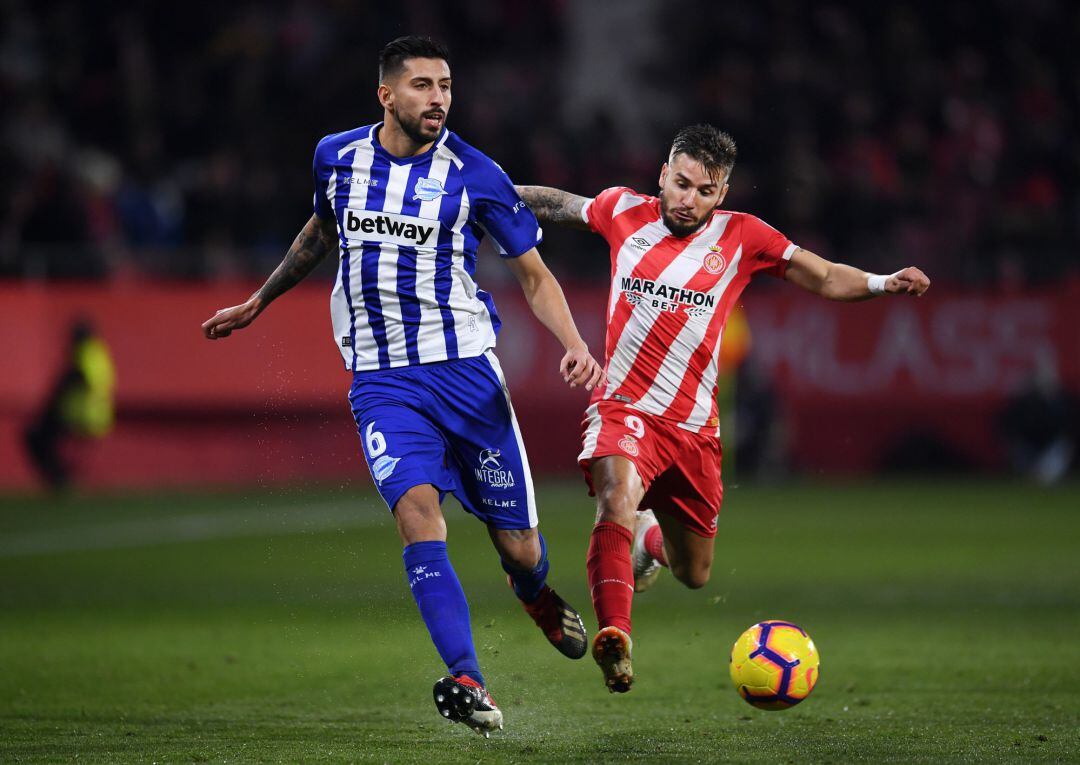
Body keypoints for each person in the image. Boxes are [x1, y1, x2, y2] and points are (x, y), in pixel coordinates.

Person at [202, 36, 603, 735]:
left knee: (521, 548)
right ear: (387, 95)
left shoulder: (474, 173)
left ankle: (533, 592)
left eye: (446, 84)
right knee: (418, 513)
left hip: (467, 379)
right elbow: (320, 232)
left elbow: (534, 273)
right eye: (423, 85)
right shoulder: (336, 156)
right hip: (382, 382)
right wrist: (259, 301)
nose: (439, 98)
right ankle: (469, 677)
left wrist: (574, 345)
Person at [516, 124, 931, 693]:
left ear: (722, 194)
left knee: (694, 572)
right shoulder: (622, 210)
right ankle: (617, 634)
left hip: (694, 431)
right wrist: (482, 190)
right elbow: (561, 204)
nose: (688, 199)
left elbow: (826, 277)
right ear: (663, 175)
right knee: (615, 496)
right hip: (625, 407)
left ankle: (648, 543)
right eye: (680, 184)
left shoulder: (745, 237)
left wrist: (886, 282)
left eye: (704, 191)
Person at [24, 318, 115, 490]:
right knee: (42, 434)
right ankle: (60, 476)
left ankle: (60, 477)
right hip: (86, 414)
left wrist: (60, 387)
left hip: (83, 414)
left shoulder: (87, 353)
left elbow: (83, 378)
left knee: (37, 435)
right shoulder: (96, 352)